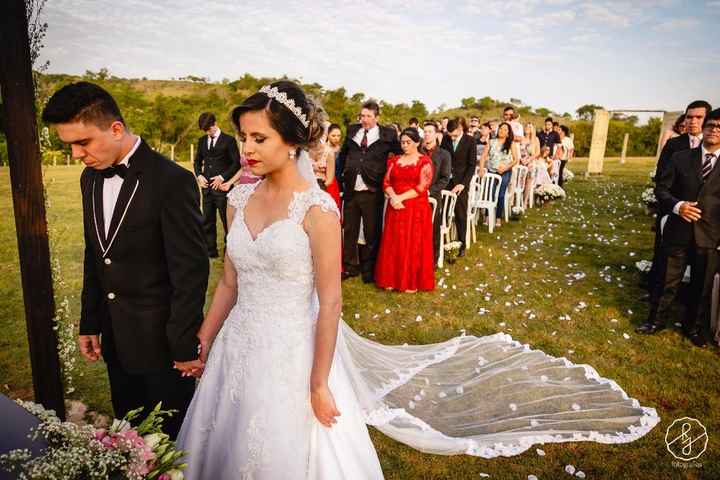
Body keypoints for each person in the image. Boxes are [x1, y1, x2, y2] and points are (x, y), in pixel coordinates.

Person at [176, 81, 659, 479]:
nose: (247, 148)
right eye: (244, 136)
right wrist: (204, 339)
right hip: (237, 347)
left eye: (259, 138)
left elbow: (331, 304)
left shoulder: (317, 210)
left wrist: (319, 383)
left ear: (294, 141)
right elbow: (229, 285)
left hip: (293, 352)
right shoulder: (239, 200)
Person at [41, 82, 209, 438]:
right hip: (116, 342)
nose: (75, 154)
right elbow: (95, 255)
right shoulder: (89, 179)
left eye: (82, 142)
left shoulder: (172, 181)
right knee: (129, 438)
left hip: (164, 347)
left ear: (116, 128)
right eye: (69, 145)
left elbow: (190, 272)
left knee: (171, 444)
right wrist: (90, 322)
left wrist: (183, 345)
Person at [639, 109, 720, 348]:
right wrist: (678, 206)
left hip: (710, 235)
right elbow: (661, 190)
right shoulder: (681, 157)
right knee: (667, 280)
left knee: (701, 285)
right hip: (678, 229)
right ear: (703, 127)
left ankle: (692, 327)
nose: (714, 129)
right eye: (711, 124)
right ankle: (655, 321)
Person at [645, 101, 712, 297]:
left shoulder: (713, 146)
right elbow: (661, 177)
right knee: (663, 254)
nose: (692, 121)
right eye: (689, 117)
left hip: (705, 216)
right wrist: (677, 204)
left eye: (698, 117)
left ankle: (689, 298)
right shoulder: (674, 145)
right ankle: (655, 291)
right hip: (674, 208)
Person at [339, 100, 402, 283]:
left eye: (368, 116)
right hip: (351, 188)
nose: (364, 120)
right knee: (350, 230)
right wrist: (342, 176)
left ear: (377, 117)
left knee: (371, 231)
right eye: (362, 116)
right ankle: (350, 267)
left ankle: (369, 269)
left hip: (372, 189)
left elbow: (399, 155)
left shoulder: (388, 134)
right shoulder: (352, 130)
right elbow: (343, 155)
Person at [375, 128, 435, 292]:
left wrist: (400, 198)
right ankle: (391, 278)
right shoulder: (394, 160)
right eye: (402, 142)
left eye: (408, 142)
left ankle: (410, 281)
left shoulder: (425, 162)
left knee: (412, 243)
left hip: (415, 208)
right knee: (394, 243)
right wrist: (393, 196)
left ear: (417, 142)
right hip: (395, 206)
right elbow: (386, 182)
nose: (405, 145)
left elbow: (423, 186)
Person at [194, 112, 241, 258]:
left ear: (215, 123)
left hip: (223, 188)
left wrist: (222, 177)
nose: (208, 132)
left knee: (226, 220)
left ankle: (230, 251)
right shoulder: (202, 141)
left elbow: (236, 163)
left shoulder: (229, 140)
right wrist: (199, 175)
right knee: (207, 220)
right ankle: (210, 251)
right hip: (206, 188)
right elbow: (197, 161)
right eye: (205, 130)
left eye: (209, 128)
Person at [442, 117, 476, 256]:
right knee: (443, 211)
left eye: (455, 135)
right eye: (450, 136)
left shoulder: (470, 141)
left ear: (460, 129)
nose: (453, 138)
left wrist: (463, 184)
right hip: (446, 181)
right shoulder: (445, 139)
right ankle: (444, 240)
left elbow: (471, 165)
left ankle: (461, 244)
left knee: (460, 214)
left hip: (461, 182)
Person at [479, 122, 519, 227]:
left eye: (505, 129)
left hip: (505, 171)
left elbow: (516, 160)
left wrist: (506, 168)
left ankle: (498, 218)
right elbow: (483, 157)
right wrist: (482, 169)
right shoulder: (491, 142)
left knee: (501, 194)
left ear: (508, 133)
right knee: (490, 193)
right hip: (492, 171)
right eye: (501, 128)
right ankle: (487, 216)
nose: (502, 131)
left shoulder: (510, 144)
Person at [423, 122, 451, 265]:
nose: (427, 134)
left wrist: (430, 191)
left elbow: (445, 178)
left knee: (433, 229)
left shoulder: (444, 154)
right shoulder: (418, 152)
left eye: (429, 131)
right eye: (425, 131)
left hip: (433, 196)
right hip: (416, 195)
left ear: (435, 134)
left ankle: (433, 260)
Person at [310, 123, 342, 208]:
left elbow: (330, 178)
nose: (336, 138)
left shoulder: (329, 152)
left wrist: (320, 188)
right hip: (306, 187)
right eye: (333, 135)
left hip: (325, 186)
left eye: (338, 135)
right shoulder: (304, 150)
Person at [521, 123, 541, 207]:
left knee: (528, 180)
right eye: (526, 126)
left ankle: (525, 201)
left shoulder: (535, 139)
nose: (527, 128)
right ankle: (515, 199)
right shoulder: (521, 138)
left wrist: (529, 160)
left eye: (529, 127)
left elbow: (537, 153)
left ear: (532, 129)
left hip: (530, 162)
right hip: (520, 161)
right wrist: (521, 160)